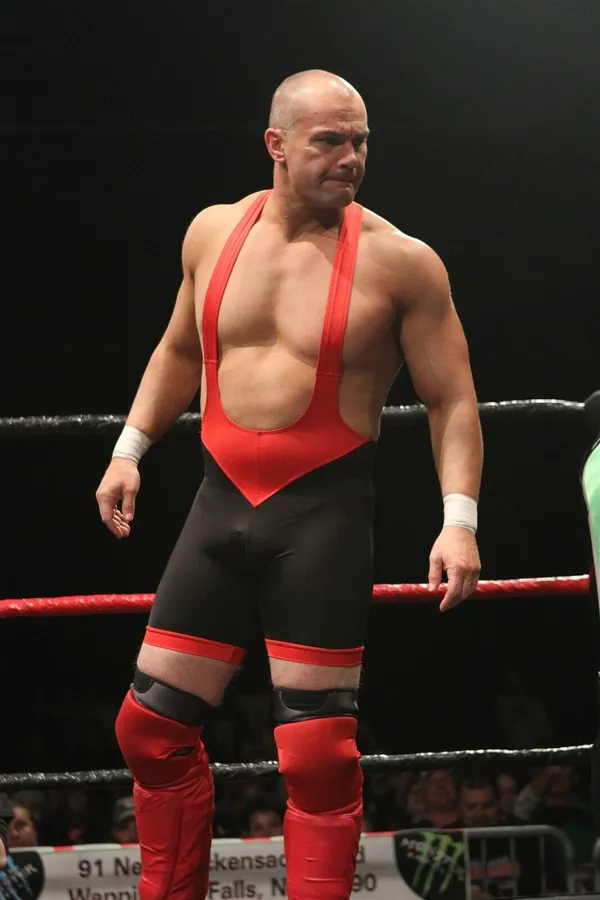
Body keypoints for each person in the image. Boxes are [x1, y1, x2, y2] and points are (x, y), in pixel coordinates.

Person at [95, 68, 482, 900]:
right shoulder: (212, 233)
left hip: (321, 517)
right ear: (275, 144)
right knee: (150, 730)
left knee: (315, 754)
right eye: (330, 141)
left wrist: (460, 519)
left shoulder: (402, 262)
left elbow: (451, 399)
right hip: (217, 506)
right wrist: (130, 449)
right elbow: (178, 349)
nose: (351, 158)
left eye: (361, 141)